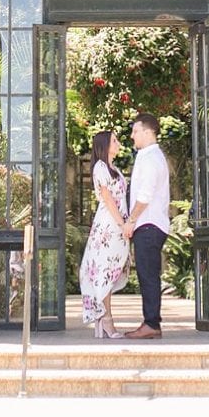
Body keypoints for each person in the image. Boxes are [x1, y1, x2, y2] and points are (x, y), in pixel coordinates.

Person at [121, 111, 171, 339]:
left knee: (148, 275)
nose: (132, 135)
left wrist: (131, 220)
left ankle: (152, 323)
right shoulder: (147, 156)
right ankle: (150, 322)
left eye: (136, 130)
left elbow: (145, 195)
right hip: (147, 225)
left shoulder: (151, 158)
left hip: (149, 225)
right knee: (146, 274)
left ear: (149, 132)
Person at [77, 130, 132, 338]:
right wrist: (122, 224)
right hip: (109, 226)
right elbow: (108, 200)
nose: (118, 143)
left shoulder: (113, 168)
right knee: (106, 271)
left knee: (110, 271)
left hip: (117, 225)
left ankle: (104, 318)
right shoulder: (101, 168)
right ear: (105, 145)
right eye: (114, 140)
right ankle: (106, 319)